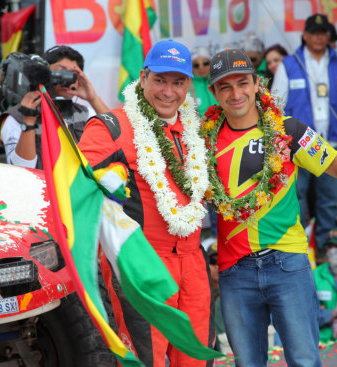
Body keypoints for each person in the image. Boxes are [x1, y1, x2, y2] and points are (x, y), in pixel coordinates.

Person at [202, 48, 337, 367]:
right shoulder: (201, 142)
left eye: (243, 83)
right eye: (225, 86)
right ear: (213, 92)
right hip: (234, 271)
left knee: (304, 361)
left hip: (287, 263)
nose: (235, 93)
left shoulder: (290, 129)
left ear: (257, 84)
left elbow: (334, 163)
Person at [78, 40, 212, 367]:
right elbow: (74, 184)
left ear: (188, 85)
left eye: (178, 82)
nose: (169, 91)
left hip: (194, 262)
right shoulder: (111, 127)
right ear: (143, 77)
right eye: (160, 80)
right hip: (143, 266)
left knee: (196, 360)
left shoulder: (197, 130)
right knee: (145, 360)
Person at [271, 14, 337, 250]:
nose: (320, 37)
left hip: (331, 140)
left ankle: (324, 245)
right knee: (296, 195)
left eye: (324, 33)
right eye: (315, 33)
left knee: (329, 198)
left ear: (328, 36)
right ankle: (298, 245)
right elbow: (275, 104)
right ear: (305, 36)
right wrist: (277, 137)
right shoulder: (290, 64)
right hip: (298, 142)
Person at [0, 45, 109, 169]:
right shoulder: (15, 118)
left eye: (73, 74)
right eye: (60, 71)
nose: (67, 78)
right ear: (43, 74)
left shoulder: (84, 113)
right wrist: (28, 122)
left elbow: (117, 137)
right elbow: (22, 168)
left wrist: (93, 98)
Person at [189, 45, 217, 116]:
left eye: (205, 63)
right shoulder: (186, 87)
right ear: (191, 67)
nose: (201, 68)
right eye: (196, 65)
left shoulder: (219, 81)